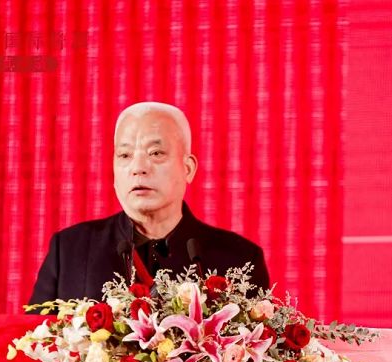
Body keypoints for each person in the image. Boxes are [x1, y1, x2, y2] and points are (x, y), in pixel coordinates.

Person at [28, 102, 269, 305]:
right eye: (125, 155)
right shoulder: (70, 249)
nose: (138, 168)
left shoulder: (239, 259)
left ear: (188, 168)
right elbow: (34, 340)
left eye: (156, 153)